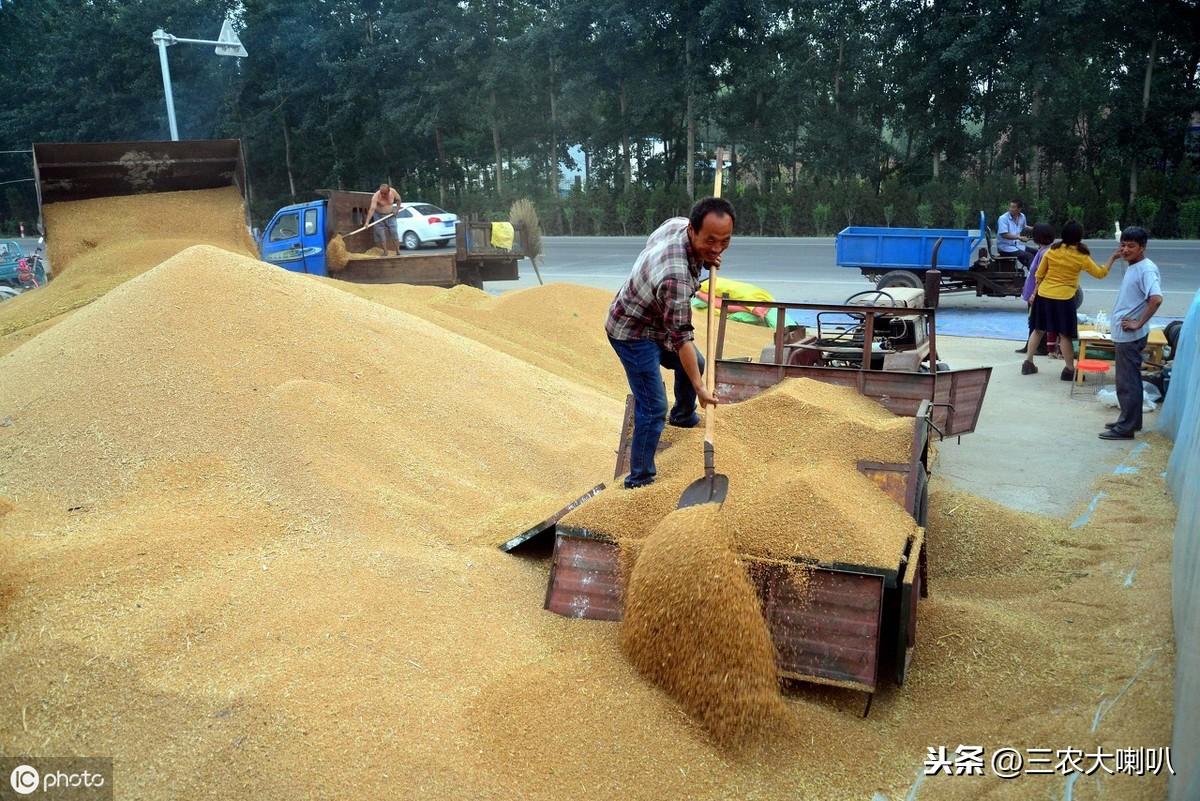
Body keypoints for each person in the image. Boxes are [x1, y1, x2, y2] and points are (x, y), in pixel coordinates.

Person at [606, 197, 734, 489]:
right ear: (692, 231)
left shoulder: (676, 226)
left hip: (657, 323)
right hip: (632, 331)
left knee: (697, 364)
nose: (717, 248)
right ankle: (639, 479)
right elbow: (681, 338)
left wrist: (706, 255)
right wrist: (701, 388)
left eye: (724, 241)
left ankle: (683, 417)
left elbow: (659, 237)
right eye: (710, 241)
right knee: (653, 407)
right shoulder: (675, 278)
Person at [1021, 220, 1120, 380]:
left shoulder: (1053, 250)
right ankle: (1068, 370)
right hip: (1064, 298)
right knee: (1065, 335)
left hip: (1044, 295)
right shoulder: (1081, 255)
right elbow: (1100, 273)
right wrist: (1113, 258)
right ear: (1080, 236)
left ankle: (1028, 362)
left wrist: (1035, 292)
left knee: (1038, 330)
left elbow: (1039, 274)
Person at [1099, 226, 1163, 440]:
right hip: (1124, 334)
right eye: (1123, 245)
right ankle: (1130, 421)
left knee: (1127, 382)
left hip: (1130, 335)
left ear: (1142, 247)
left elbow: (1156, 299)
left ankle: (1126, 428)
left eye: (1131, 246)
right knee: (1127, 380)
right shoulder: (1133, 266)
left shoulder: (1146, 269)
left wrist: (1138, 323)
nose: (1125, 249)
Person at [1015, 222, 1058, 356]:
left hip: (1037, 293)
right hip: (1034, 291)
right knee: (1032, 321)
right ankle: (1031, 345)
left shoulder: (1045, 252)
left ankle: (1039, 347)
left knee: (1036, 321)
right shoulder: (1043, 250)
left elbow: (1041, 274)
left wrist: (1034, 293)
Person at [365, 183, 401, 255]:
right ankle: (385, 252)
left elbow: (399, 200)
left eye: (385, 194)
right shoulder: (376, 196)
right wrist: (367, 222)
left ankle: (398, 251)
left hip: (390, 215)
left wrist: (397, 209)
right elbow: (372, 209)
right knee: (381, 235)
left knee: (394, 232)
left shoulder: (393, 192)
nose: (383, 195)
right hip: (378, 216)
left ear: (388, 191)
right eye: (382, 193)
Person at [997, 199, 1034, 268]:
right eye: (1010, 207)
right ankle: (1032, 276)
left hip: (1016, 246)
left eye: (1013, 207)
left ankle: (1036, 273)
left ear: (1019, 209)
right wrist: (1019, 237)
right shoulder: (1003, 218)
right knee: (1029, 256)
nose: (1010, 209)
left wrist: (1036, 229)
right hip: (1005, 247)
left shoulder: (1022, 216)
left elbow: (1024, 226)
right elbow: (1004, 234)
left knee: (1036, 252)